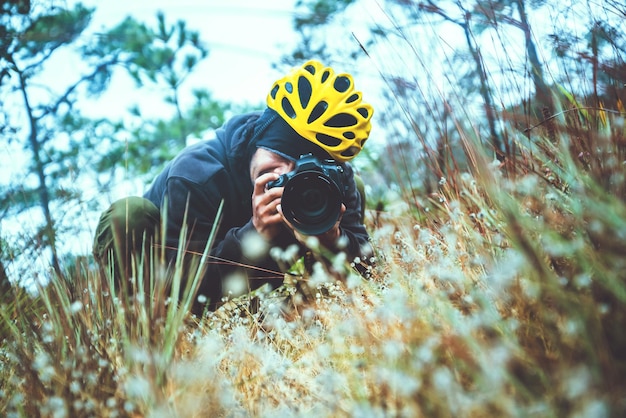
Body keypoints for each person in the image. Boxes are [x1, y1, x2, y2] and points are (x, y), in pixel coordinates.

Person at [93, 60, 374, 313]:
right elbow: (187, 289)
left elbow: (367, 268)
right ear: (259, 136)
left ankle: (315, 314)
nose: (286, 177)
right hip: (169, 271)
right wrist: (256, 233)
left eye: (303, 169)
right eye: (280, 157)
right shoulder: (197, 176)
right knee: (127, 216)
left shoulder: (334, 178)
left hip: (263, 294)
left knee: (350, 193)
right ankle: (141, 333)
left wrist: (330, 239)